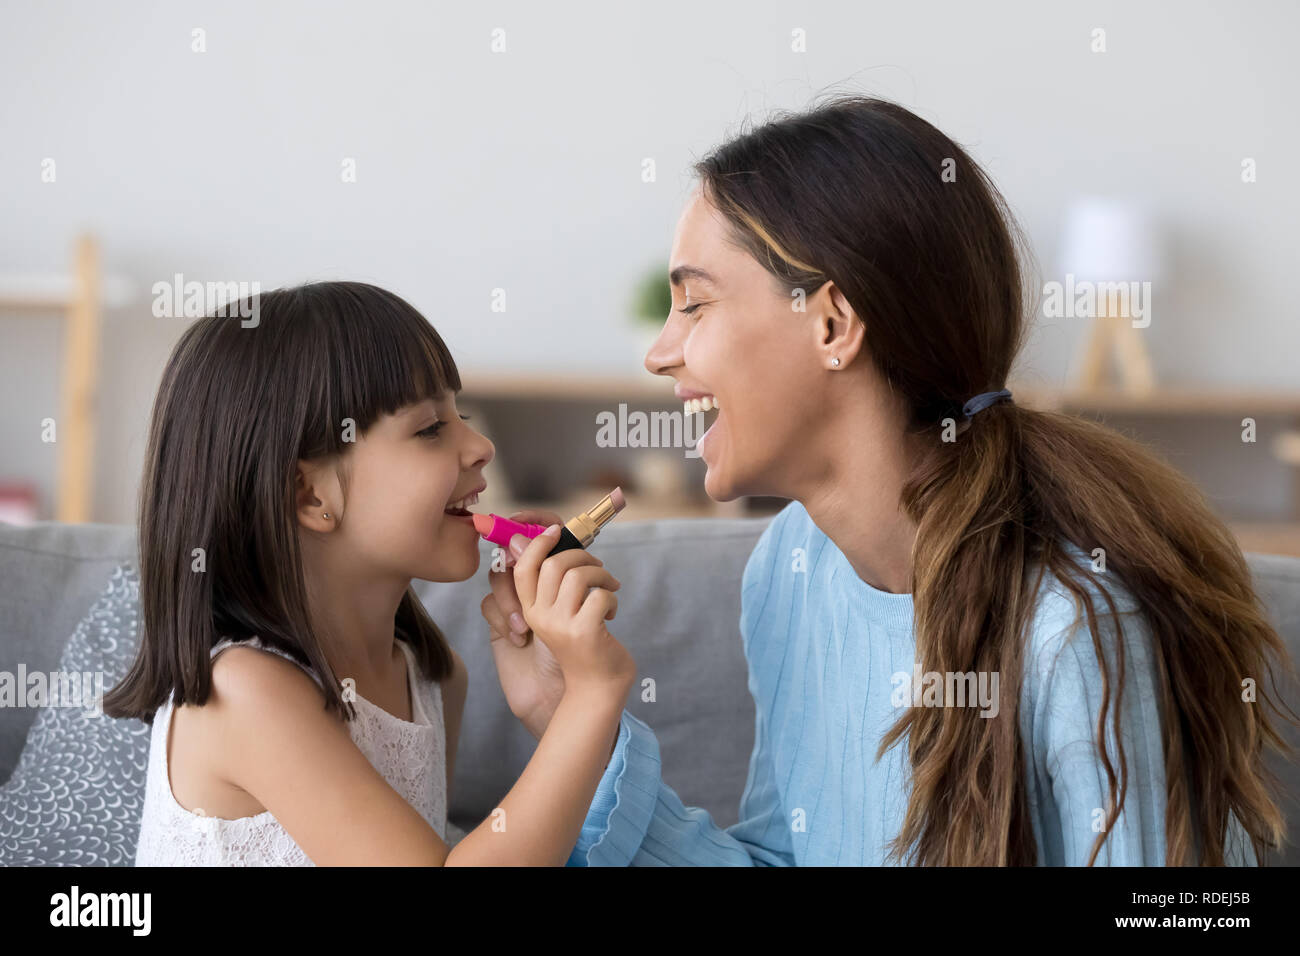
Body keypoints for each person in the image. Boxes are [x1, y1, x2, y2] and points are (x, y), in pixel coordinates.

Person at [482, 95, 1297, 865]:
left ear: (832, 324)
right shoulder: (790, 569)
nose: (659, 353)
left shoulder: (1076, 627)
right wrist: (571, 716)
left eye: (693, 306)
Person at [107, 280, 635, 865]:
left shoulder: (434, 680)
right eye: (431, 428)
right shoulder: (245, 693)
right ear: (310, 495)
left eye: (459, 414)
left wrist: (554, 697)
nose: (481, 445)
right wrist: (591, 694)